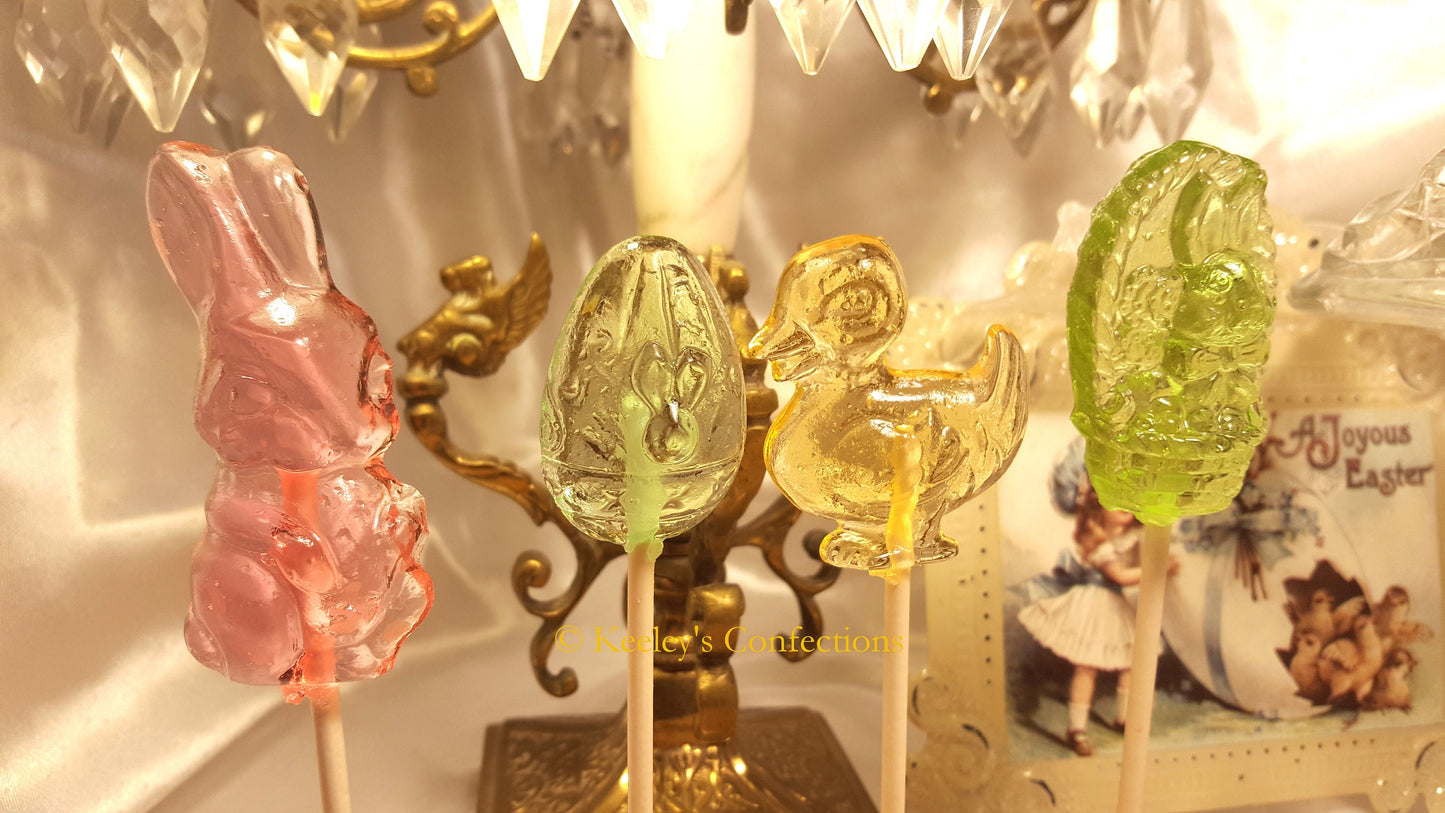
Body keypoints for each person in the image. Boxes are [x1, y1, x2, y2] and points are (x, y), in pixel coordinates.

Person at [1018, 475, 1175, 756]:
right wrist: (1157, 569)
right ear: (1098, 508)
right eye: (1116, 502)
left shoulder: (1130, 536)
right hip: (1094, 604)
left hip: (1115, 605)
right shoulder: (1096, 540)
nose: (1125, 508)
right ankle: (1077, 729)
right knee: (1087, 666)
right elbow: (1121, 576)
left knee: (1132, 662)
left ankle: (1125, 719)